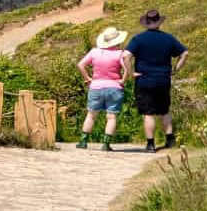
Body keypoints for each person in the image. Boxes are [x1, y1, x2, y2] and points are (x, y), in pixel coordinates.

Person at [125, 10, 189, 151]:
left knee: (148, 113)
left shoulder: (138, 39)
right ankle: (170, 141)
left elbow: (126, 56)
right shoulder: (168, 38)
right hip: (163, 79)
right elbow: (185, 53)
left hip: (144, 80)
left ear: (146, 23)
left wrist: (131, 73)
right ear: (159, 22)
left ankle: (150, 144)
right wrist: (176, 69)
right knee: (164, 111)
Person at [75, 27, 131, 151]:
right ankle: (106, 144)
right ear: (117, 41)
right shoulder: (120, 53)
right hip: (114, 87)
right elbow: (127, 68)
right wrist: (123, 80)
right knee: (111, 117)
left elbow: (80, 65)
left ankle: (83, 141)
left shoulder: (94, 52)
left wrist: (88, 78)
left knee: (91, 115)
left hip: (96, 86)